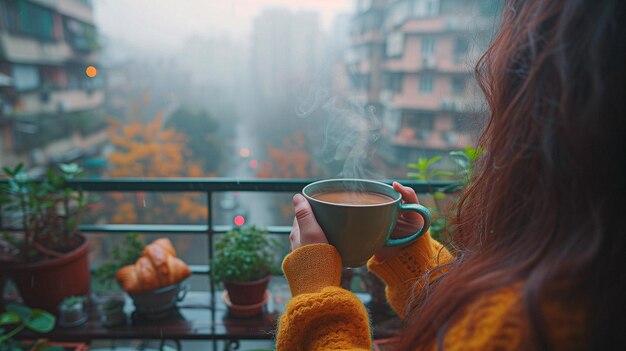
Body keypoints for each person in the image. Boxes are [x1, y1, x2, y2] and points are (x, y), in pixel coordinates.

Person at [276, 0, 626, 350]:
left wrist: (317, 297)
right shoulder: (582, 280)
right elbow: (466, 329)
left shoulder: (529, 319)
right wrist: (413, 260)